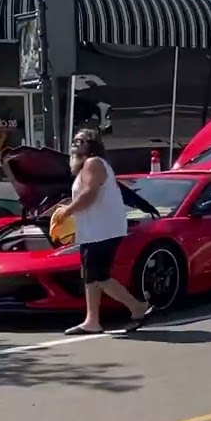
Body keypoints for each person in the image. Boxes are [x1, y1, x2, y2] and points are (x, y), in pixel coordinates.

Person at [51, 128, 153, 335]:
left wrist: (68, 211)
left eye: (81, 141)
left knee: (99, 277)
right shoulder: (87, 166)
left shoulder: (93, 163)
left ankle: (137, 306)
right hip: (95, 230)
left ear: (92, 145)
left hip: (103, 231)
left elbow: (90, 194)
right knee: (89, 276)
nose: (76, 144)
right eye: (74, 140)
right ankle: (92, 321)